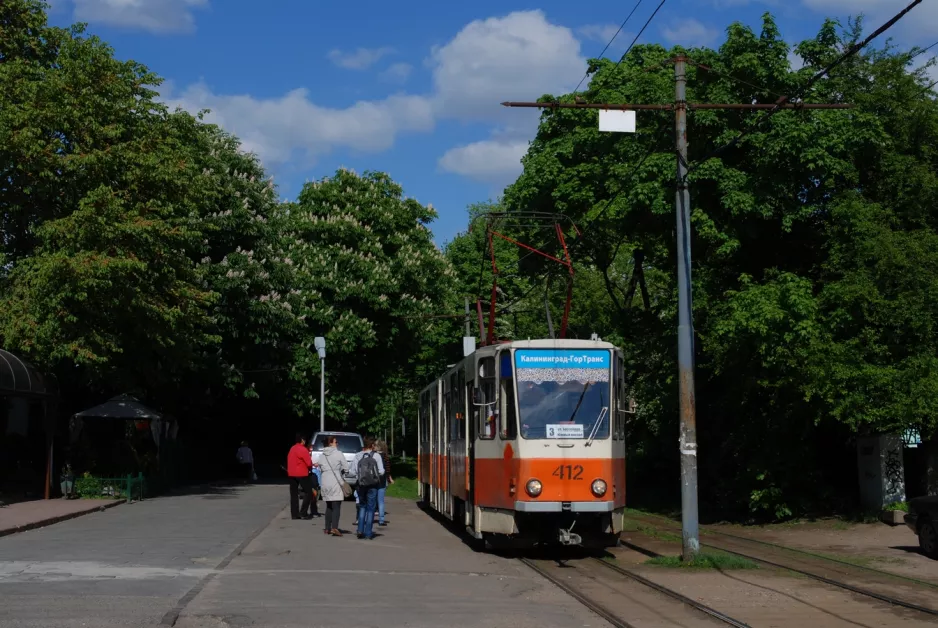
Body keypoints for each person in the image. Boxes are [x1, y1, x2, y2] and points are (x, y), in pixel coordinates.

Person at [351, 437, 384, 540]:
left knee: (362, 506)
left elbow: (352, 471)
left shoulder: (358, 455)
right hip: (373, 486)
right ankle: (368, 533)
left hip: (361, 485)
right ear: (372, 445)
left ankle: (360, 530)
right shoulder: (377, 456)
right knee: (371, 509)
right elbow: (382, 471)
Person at [319, 435, 349, 536]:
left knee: (329, 505)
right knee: (336, 505)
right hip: (335, 481)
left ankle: (327, 528)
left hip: (325, 481)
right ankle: (334, 527)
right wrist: (344, 472)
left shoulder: (322, 455)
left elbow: (320, 467)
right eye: (336, 442)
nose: (337, 444)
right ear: (331, 443)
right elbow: (346, 467)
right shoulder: (338, 453)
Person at [286, 433, 312, 520]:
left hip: (291, 473)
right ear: (302, 440)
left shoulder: (292, 448)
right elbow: (308, 463)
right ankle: (303, 512)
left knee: (293, 494)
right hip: (302, 473)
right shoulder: (303, 449)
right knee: (308, 492)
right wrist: (311, 467)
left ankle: (294, 514)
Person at [374, 439, 393, 527]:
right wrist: (389, 479)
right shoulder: (385, 456)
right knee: (381, 501)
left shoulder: (373, 455)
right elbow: (388, 469)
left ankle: (369, 517)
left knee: (372, 499)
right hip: (382, 480)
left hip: (373, 480)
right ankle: (381, 520)